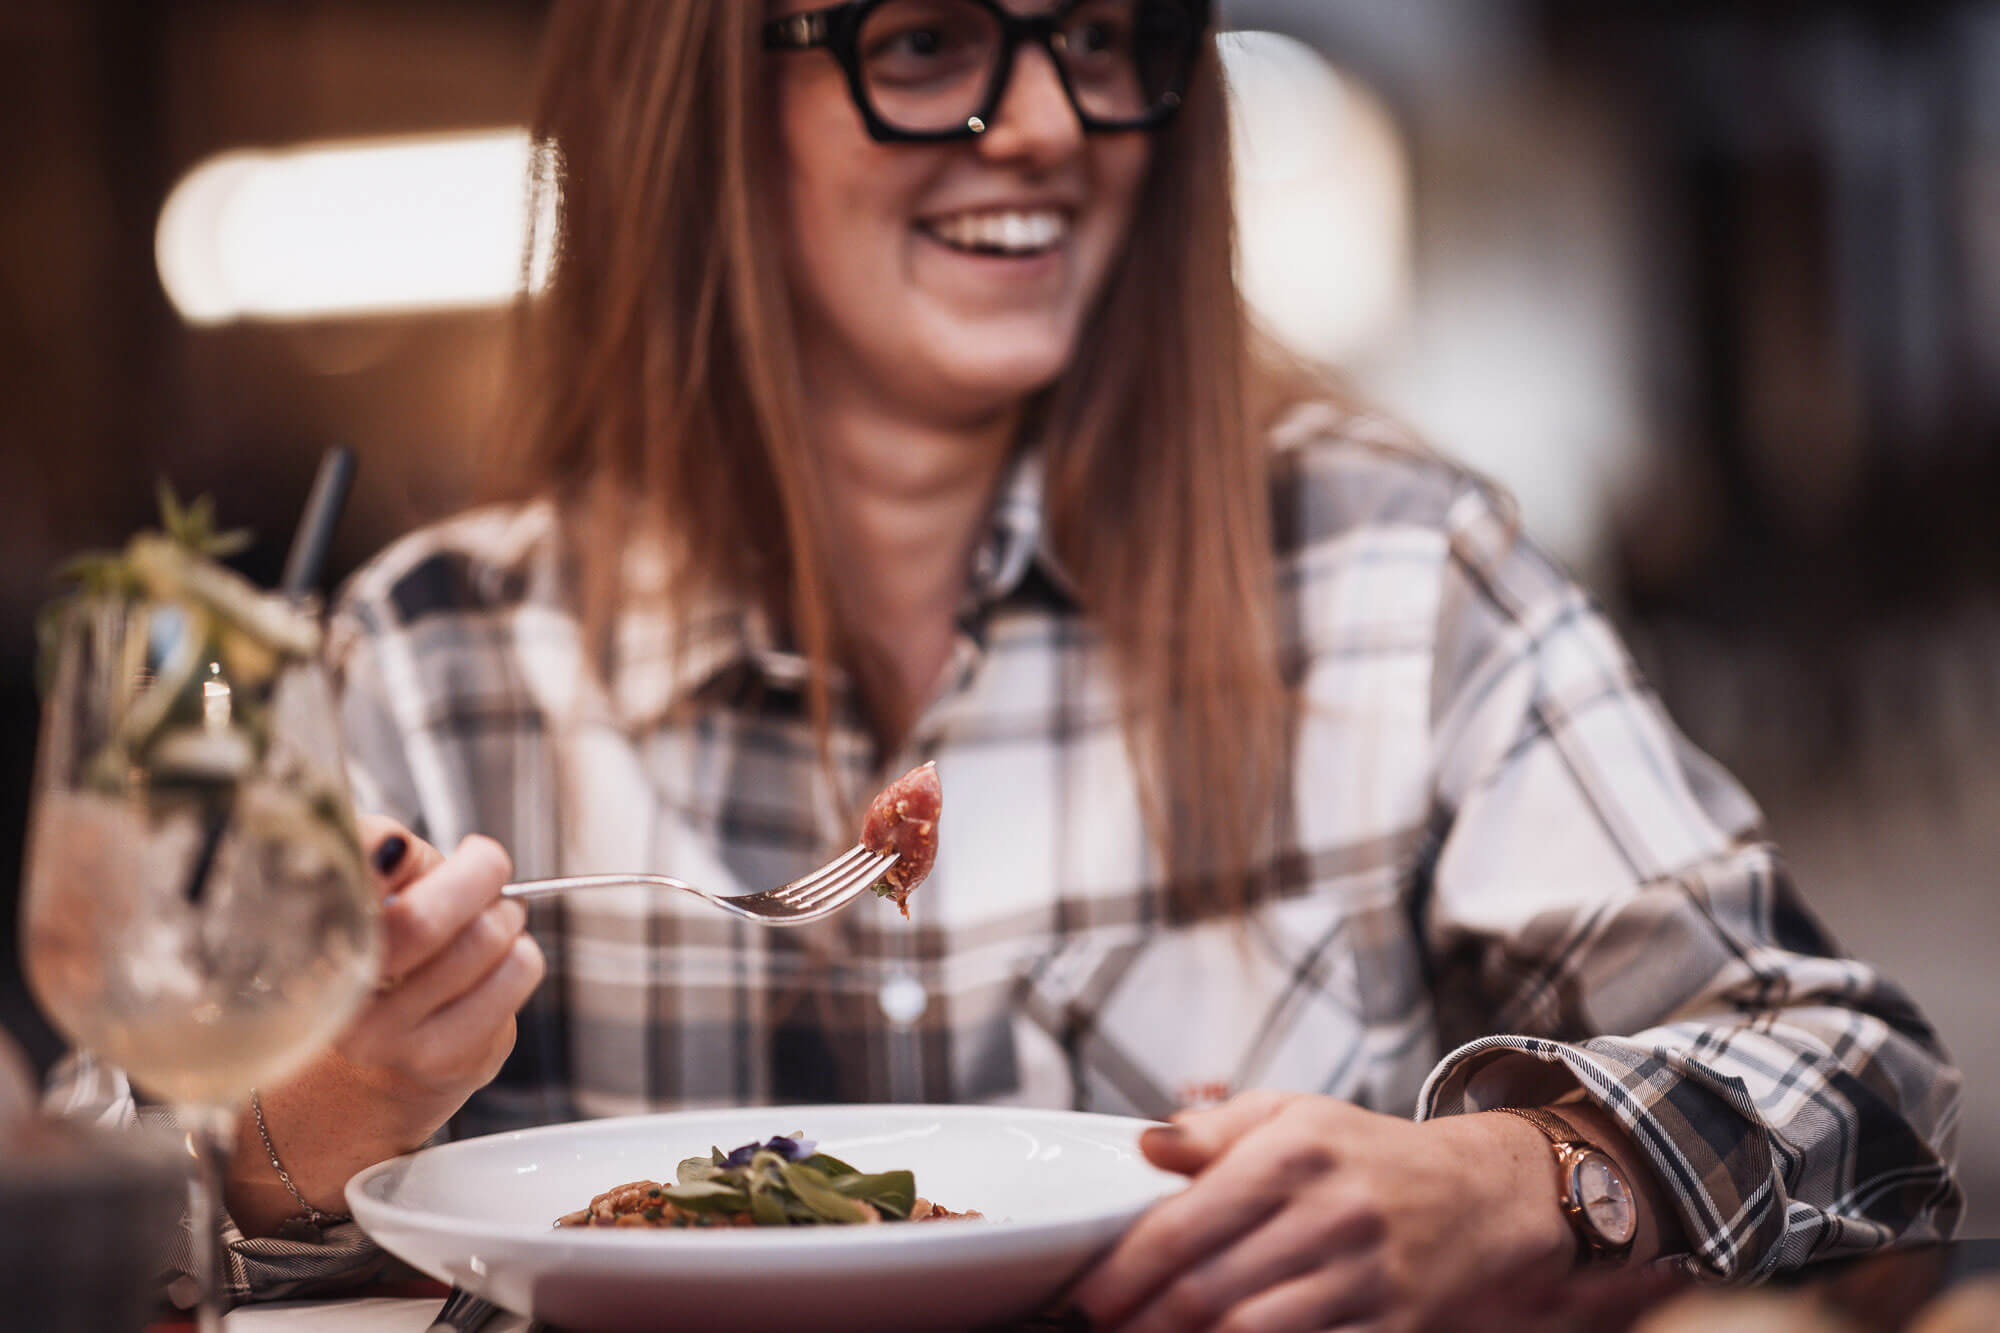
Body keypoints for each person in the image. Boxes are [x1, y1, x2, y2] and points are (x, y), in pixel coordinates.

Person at [53, 0, 1961, 1326]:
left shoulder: (1393, 572)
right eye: (922, 45)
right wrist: (311, 1131)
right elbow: (81, 1215)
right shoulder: (427, 654)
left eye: (1105, 38)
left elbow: (1870, 1088)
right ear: (694, 105)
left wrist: (1527, 1182)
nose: (1048, 121)